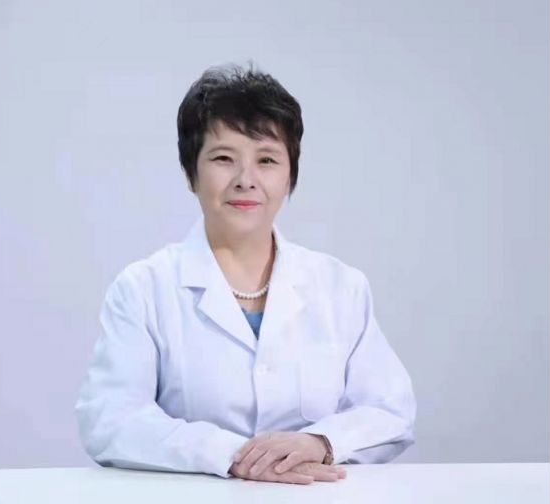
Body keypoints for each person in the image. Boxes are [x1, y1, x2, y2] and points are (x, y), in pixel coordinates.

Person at [75, 63, 417, 485]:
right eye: (223, 158)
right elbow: (110, 418)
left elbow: (390, 410)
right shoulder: (144, 289)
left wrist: (320, 442)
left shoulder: (341, 287)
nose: (246, 180)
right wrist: (230, 455)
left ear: (290, 175)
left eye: (267, 160)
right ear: (190, 173)